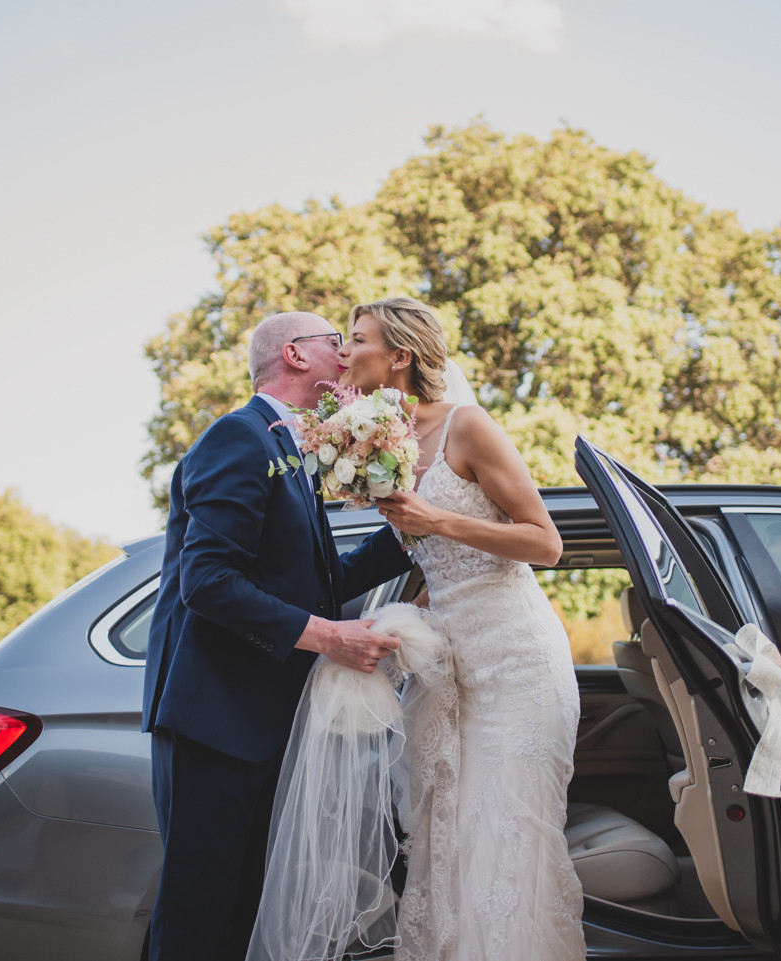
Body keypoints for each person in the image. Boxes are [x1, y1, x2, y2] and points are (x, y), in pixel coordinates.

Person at [141, 311, 416, 961]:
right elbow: (206, 580)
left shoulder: (292, 451)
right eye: (335, 343)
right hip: (216, 721)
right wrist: (329, 637)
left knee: (243, 913)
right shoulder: (238, 439)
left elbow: (321, 582)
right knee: (197, 918)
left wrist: (413, 528)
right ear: (294, 355)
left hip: (266, 724)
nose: (346, 356)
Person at [337, 296, 587, 960]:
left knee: (507, 839)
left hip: (519, 661)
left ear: (400, 356)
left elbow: (545, 541)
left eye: (356, 338)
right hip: (452, 667)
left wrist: (436, 519)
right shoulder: (373, 445)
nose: (345, 350)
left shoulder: (468, 427)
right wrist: (409, 612)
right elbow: (434, 561)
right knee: (450, 837)